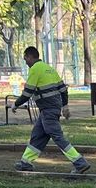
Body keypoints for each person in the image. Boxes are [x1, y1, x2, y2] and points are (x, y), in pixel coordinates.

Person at [13, 46, 90, 174]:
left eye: (25, 58)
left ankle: (80, 162)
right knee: (37, 136)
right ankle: (25, 162)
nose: (25, 61)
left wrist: (15, 104)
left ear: (30, 57)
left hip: (48, 109)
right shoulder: (49, 69)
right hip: (50, 109)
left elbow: (28, 92)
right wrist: (65, 106)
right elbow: (63, 89)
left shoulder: (35, 69)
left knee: (58, 137)